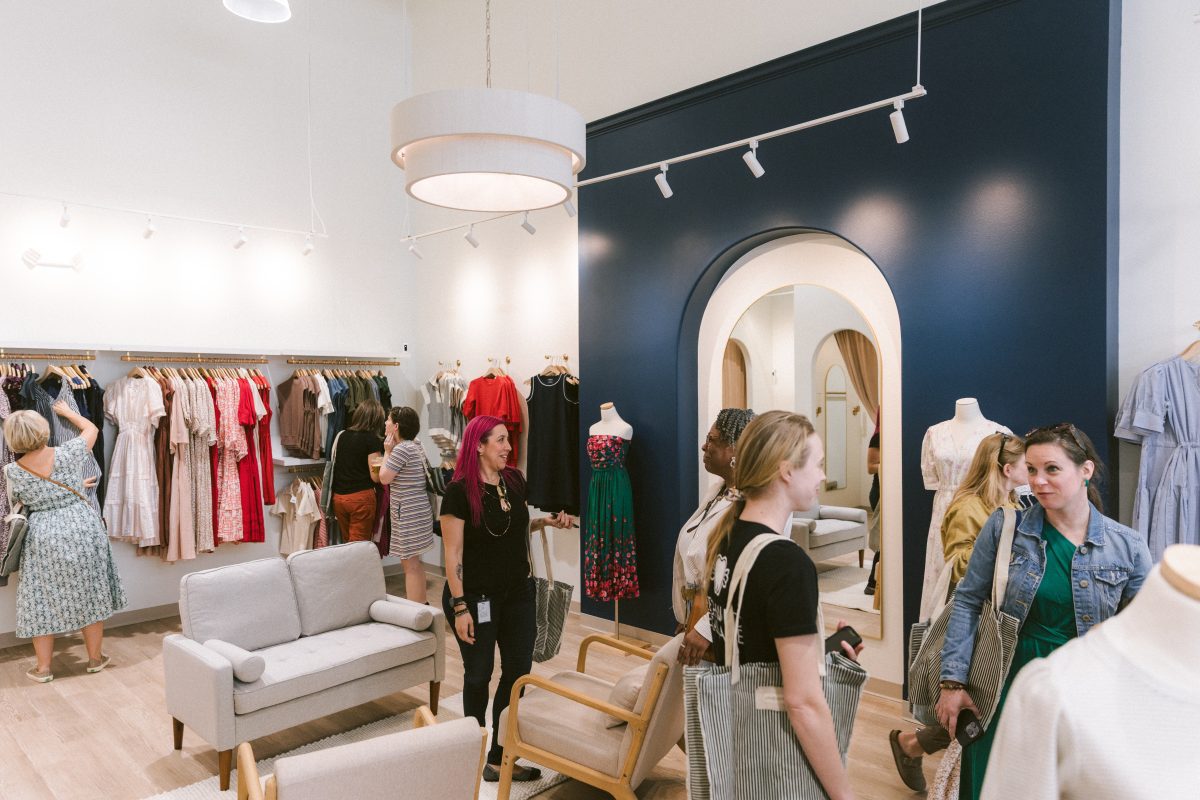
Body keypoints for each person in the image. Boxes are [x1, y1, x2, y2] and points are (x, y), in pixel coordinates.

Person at [935, 423, 1151, 800]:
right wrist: (953, 682)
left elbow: (1145, 632)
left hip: (1083, 688)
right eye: (1031, 470)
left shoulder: (1126, 546)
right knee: (993, 783)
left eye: (1052, 469)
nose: (1038, 481)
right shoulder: (1005, 527)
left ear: (1085, 470)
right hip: (1005, 679)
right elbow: (968, 600)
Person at [704, 410, 864, 800]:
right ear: (786, 470)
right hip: (775, 760)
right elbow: (803, 703)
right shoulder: (787, 563)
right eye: (819, 464)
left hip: (736, 749)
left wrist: (814, 647)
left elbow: (750, 641)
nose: (823, 476)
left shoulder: (727, 538)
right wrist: (844, 795)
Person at [888, 431, 1027, 792]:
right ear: (1009, 468)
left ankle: (912, 745)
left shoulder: (1013, 502)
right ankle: (912, 745)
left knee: (985, 703)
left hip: (997, 615)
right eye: (1029, 465)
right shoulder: (969, 507)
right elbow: (962, 562)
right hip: (975, 617)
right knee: (981, 704)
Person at [439, 415, 572, 782]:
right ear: (478, 445)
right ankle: (469, 752)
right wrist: (461, 606)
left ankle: (498, 757)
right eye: (500, 440)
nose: (508, 447)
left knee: (517, 674)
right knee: (479, 675)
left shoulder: (513, 480)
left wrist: (543, 522)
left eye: (507, 441)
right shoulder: (458, 491)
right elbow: (454, 555)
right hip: (476, 598)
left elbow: (508, 528)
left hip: (518, 593)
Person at [3, 405, 126, 682]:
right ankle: (95, 659)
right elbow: (92, 429)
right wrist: (68, 412)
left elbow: (25, 499)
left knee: (40, 600)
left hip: (43, 534)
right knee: (90, 592)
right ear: (43, 430)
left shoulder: (11, 470)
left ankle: (44, 669)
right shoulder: (67, 453)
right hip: (82, 527)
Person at [674, 407, 755, 666]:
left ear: (736, 449)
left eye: (713, 440)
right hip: (694, 619)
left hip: (720, 630)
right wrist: (685, 617)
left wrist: (706, 627)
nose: (703, 446)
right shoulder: (717, 491)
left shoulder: (753, 501)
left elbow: (746, 576)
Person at [379, 407, 434, 604]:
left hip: (408, 513)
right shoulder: (416, 445)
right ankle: (422, 605)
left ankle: (415, 610)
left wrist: (387, 452)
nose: (385, 423)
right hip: (418, 510)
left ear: (396, 426)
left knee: (409, 565)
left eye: (388, 420)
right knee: (415, 563)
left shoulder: (402, 449)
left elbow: (384, 478)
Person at [329, 400, 384, 543]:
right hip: (361, 499)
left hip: (339, 498)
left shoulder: (342, 436)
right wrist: (384, 459)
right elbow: (376, 477)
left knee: (347, 543)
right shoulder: (372, 440)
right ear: (377, 419)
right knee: (358, 546)